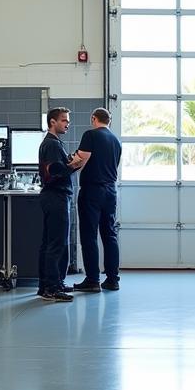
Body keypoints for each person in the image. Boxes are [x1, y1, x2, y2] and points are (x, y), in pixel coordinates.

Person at [72, 107, 122, 292]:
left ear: (94, 118)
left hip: (92, 191)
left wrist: (63, 166)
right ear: (109, 121)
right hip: (111, 191)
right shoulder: (116, 140)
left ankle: (92, 280)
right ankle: (112, 279)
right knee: (109, 234)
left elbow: (80, 161)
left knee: (89, 235)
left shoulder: (90, 135)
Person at [37, 106, 83, 302]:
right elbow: (54, 173)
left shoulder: (51, 143)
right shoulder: (53, 145)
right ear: (52, 122)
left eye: (67, 120)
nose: (67, 123)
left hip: (52, 197)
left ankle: (47, 284)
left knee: (49, 243)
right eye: (64, 120)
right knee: (57, 243)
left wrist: (68, 165)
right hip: (57, 197)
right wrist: (74, 165)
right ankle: (52, 287)